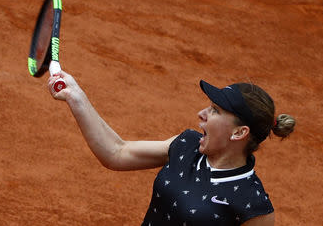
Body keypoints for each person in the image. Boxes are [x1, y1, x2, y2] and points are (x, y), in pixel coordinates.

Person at [48, 71, 296, 226]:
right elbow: (116, 152)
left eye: (215, 111)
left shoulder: (253, 204)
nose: (202, 115)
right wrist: (76, 97)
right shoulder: (186, 146)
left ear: (239, 132)